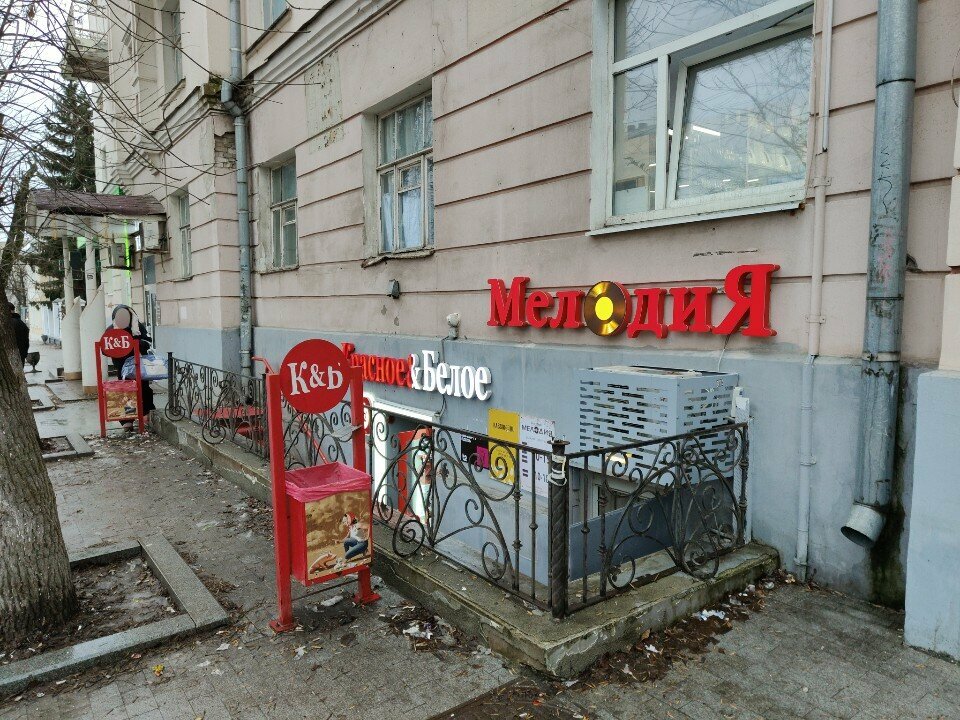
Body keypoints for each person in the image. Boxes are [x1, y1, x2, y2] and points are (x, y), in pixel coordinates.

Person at [107, 305, 155, 420]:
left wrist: (137, 344)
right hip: (122, 367)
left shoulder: (138, 327)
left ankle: (145, 413)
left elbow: (148, 342)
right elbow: (105, 348)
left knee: (144, 389)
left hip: (139, 365)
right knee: (126, 391)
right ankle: (128, 418)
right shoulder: (111, 330)